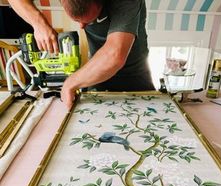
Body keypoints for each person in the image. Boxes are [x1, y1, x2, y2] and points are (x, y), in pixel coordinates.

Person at [8, 0, 155, 109]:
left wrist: (70, 83)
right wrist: (38, 23)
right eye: (77, 21)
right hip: (97, 75)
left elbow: (114, 55)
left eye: (89, 21)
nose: (81, 26)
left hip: (136, 76)